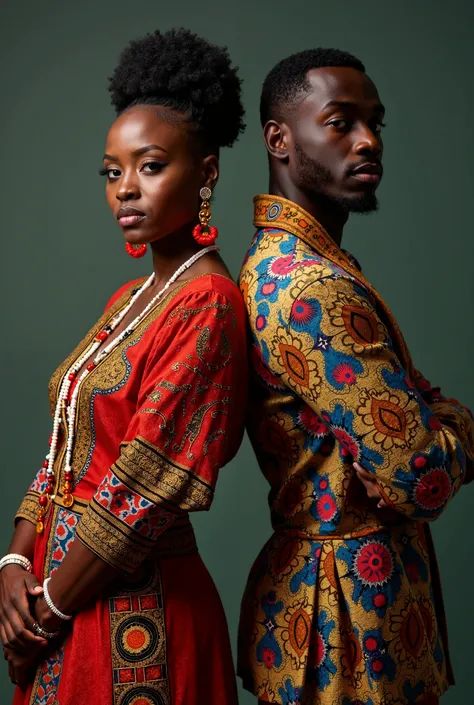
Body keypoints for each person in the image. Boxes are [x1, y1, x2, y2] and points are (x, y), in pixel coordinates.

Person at [0, 28, 247, 705]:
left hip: (134, 615)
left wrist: (43, 611)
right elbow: (65, 443)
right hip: (63, 599)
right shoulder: (131, 299)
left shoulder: (207, 305)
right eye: (113, 172)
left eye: (151, 165)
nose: (126, 190)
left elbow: (141, 487)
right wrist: (15, 561)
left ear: (207, 172)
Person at [237, 48, 474, 705]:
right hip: (347, 623)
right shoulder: (312, 286)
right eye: (341, 121)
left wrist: (432, 420)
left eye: (376, 123)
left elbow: (419, 412)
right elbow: (418, 473)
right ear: (279, 139)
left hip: (342, 605)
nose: (369, 140)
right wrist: (457, 433)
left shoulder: (296, 261)